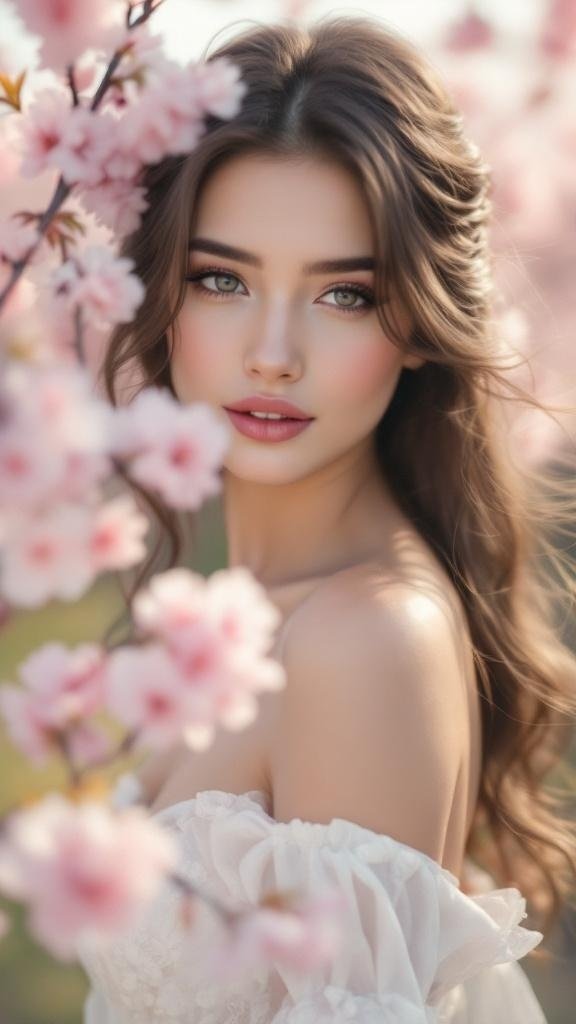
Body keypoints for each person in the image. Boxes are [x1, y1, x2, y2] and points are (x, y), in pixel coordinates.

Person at [81, 13, 576, 1023]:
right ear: (162, 292)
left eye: (343, 296)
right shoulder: (252, 610)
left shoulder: (364, 639)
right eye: (223, 279)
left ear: (420, 327)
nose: (272, 353)